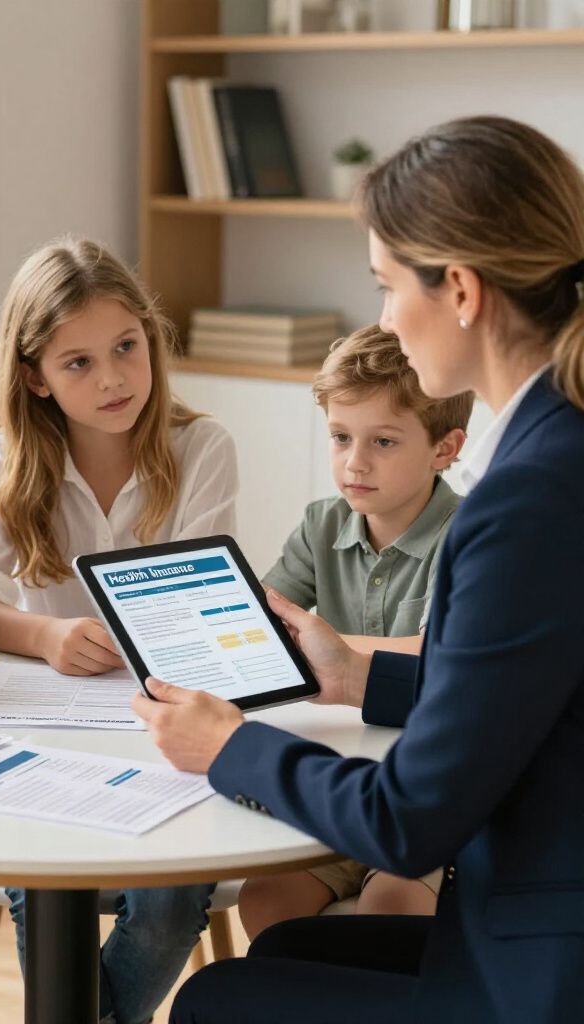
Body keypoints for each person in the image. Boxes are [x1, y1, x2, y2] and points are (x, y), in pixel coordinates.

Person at [135, 114, 584, 1023]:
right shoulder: (557, 446)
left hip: (542, 974)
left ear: (459, 288)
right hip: (529, 918)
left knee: (216, 1003)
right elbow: (531, 685)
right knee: (294, 947)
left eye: (386, 287)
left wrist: (229, 747)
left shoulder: (528, 495)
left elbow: (408, 819)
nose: (382, 317)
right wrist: (360, 676)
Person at [0, 236, 238, 1024]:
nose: (112, 379)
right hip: (48, 744)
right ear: (34, 375)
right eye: (78, 363)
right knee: (46, 892)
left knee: (172, 905)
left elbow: (209, 606)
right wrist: (46, 639)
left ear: (150, 339)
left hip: (170, 737)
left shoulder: (201, 448)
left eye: (127, 348)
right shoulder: (8, 458)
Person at [239, 325, 472, 939]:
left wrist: (334, 648)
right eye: (340, 438)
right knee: (266, 901)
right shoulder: (323, 525)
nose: (354, 462)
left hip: (430, 795)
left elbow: (443, 657)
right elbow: (263, 622)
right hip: (345, 781)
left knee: (394, 908)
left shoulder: (468, 534)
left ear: (444, 449)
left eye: (384, 441)